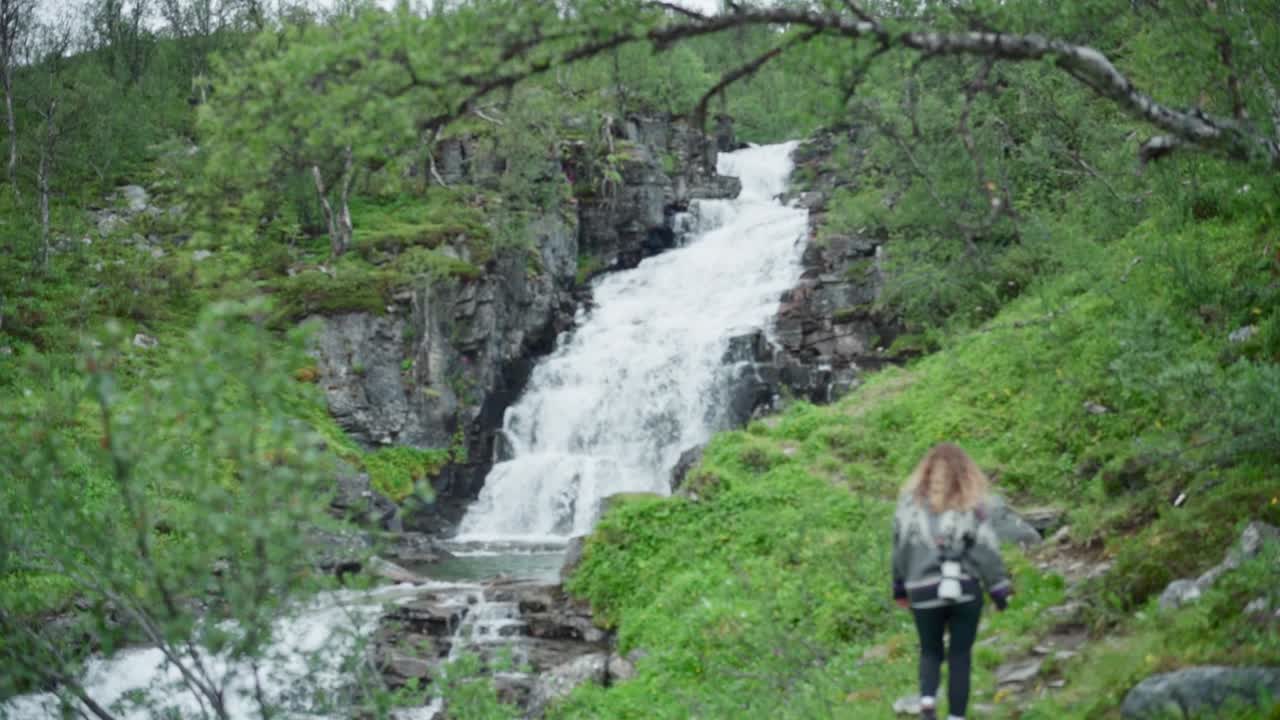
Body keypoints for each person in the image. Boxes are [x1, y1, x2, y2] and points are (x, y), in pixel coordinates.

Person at [892, 443, 1013, 720]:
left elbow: (899, 547)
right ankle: (956, 716)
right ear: (965, 471)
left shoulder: (908, 504)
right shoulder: (972, 502)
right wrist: (998, 589)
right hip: (964, 586)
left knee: (930, 649)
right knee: (960, 655)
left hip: (921, 588)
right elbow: (986, 550)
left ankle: (926, 701)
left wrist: (899, 586)